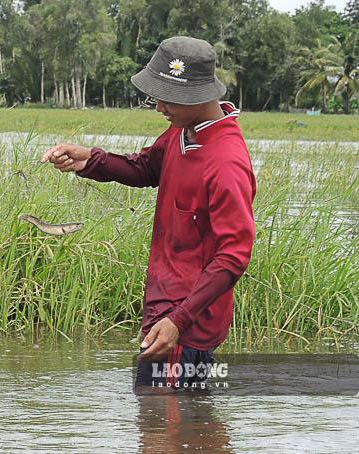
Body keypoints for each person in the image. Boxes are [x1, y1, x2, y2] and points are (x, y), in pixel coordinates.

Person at [41, 36, 256, 391]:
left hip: (186, 326)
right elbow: (146, 168)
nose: (158, 107)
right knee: (179, 428)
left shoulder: (226, 162)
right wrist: (89, 160)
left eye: (166, 97)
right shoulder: (182, 132)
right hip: (166, 312)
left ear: (198, 95)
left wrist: (178, 321)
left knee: (164, 426)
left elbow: (233, 256)